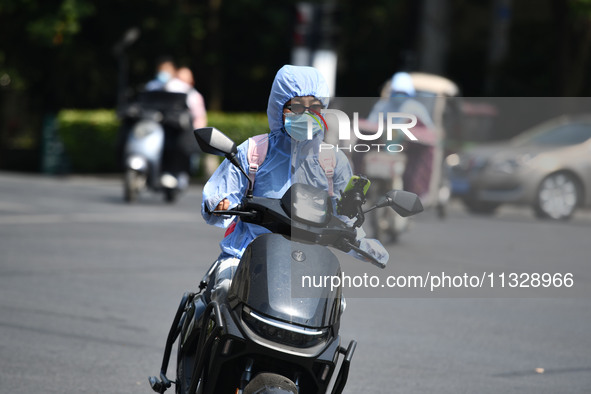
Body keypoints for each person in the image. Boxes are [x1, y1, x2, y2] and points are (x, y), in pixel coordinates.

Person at [201, 65, 388, 304]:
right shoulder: (255, 151)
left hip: (307, 262)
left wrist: (364, 245)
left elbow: (344, 219)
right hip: (246, 254)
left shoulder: (333, 162)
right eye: (297, 106)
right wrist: (219, 204)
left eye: (315, 107)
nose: (306, 115)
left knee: (335, 305)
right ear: (279, 106)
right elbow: (220, 195)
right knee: (223, 289)